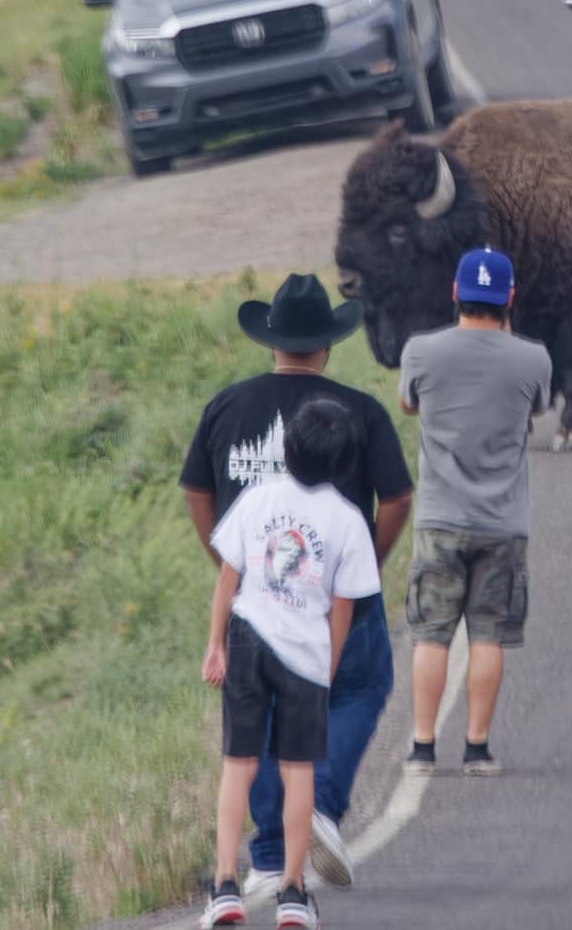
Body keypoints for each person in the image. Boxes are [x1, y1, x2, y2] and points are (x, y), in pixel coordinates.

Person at [182, 273, 414, 899]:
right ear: (329, 345)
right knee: (359, 688)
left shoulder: (226, 406)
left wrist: (228, 564)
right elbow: (396, 497)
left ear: (272, 342)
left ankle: (262, 852)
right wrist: (365, 563)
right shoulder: (359, 412)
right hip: (339, 598)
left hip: (255, 602)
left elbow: (196, 491)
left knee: (253, 720)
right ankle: (320, 807)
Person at [200, 396, 383, 930]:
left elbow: (227, 577)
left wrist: (216, 644)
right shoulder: (348, 521)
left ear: (286, 448)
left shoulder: (258, 499)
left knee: (238, 764)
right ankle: (293, 893)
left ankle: (224, 886)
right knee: (297, 770)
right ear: (344, 462)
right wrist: (325, 672)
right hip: (305, 654)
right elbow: (343, 610)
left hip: (248, 637)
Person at [397, 247, 552, 778]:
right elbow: (537, 409)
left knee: (431, 634)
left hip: (440, 519)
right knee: (487, 636)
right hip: (503, 524)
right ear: (510, 297)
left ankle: (421, 747)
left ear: (455, 293)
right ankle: (477, 747)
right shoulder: (534, 359)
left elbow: (408, 404)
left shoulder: (421, 352)